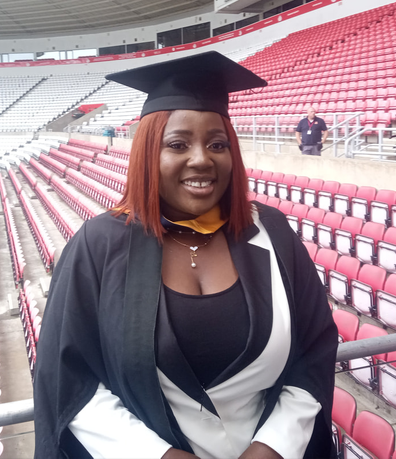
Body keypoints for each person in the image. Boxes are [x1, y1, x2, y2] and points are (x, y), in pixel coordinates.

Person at [33, 51, 338, 459]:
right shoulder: (99, 245)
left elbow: (314, 348)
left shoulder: (272, 232)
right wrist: (156, 455)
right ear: (147, 154)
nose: (201, 159)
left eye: (217, 144)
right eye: (177, 144)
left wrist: (274, 445)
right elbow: (67, 375)